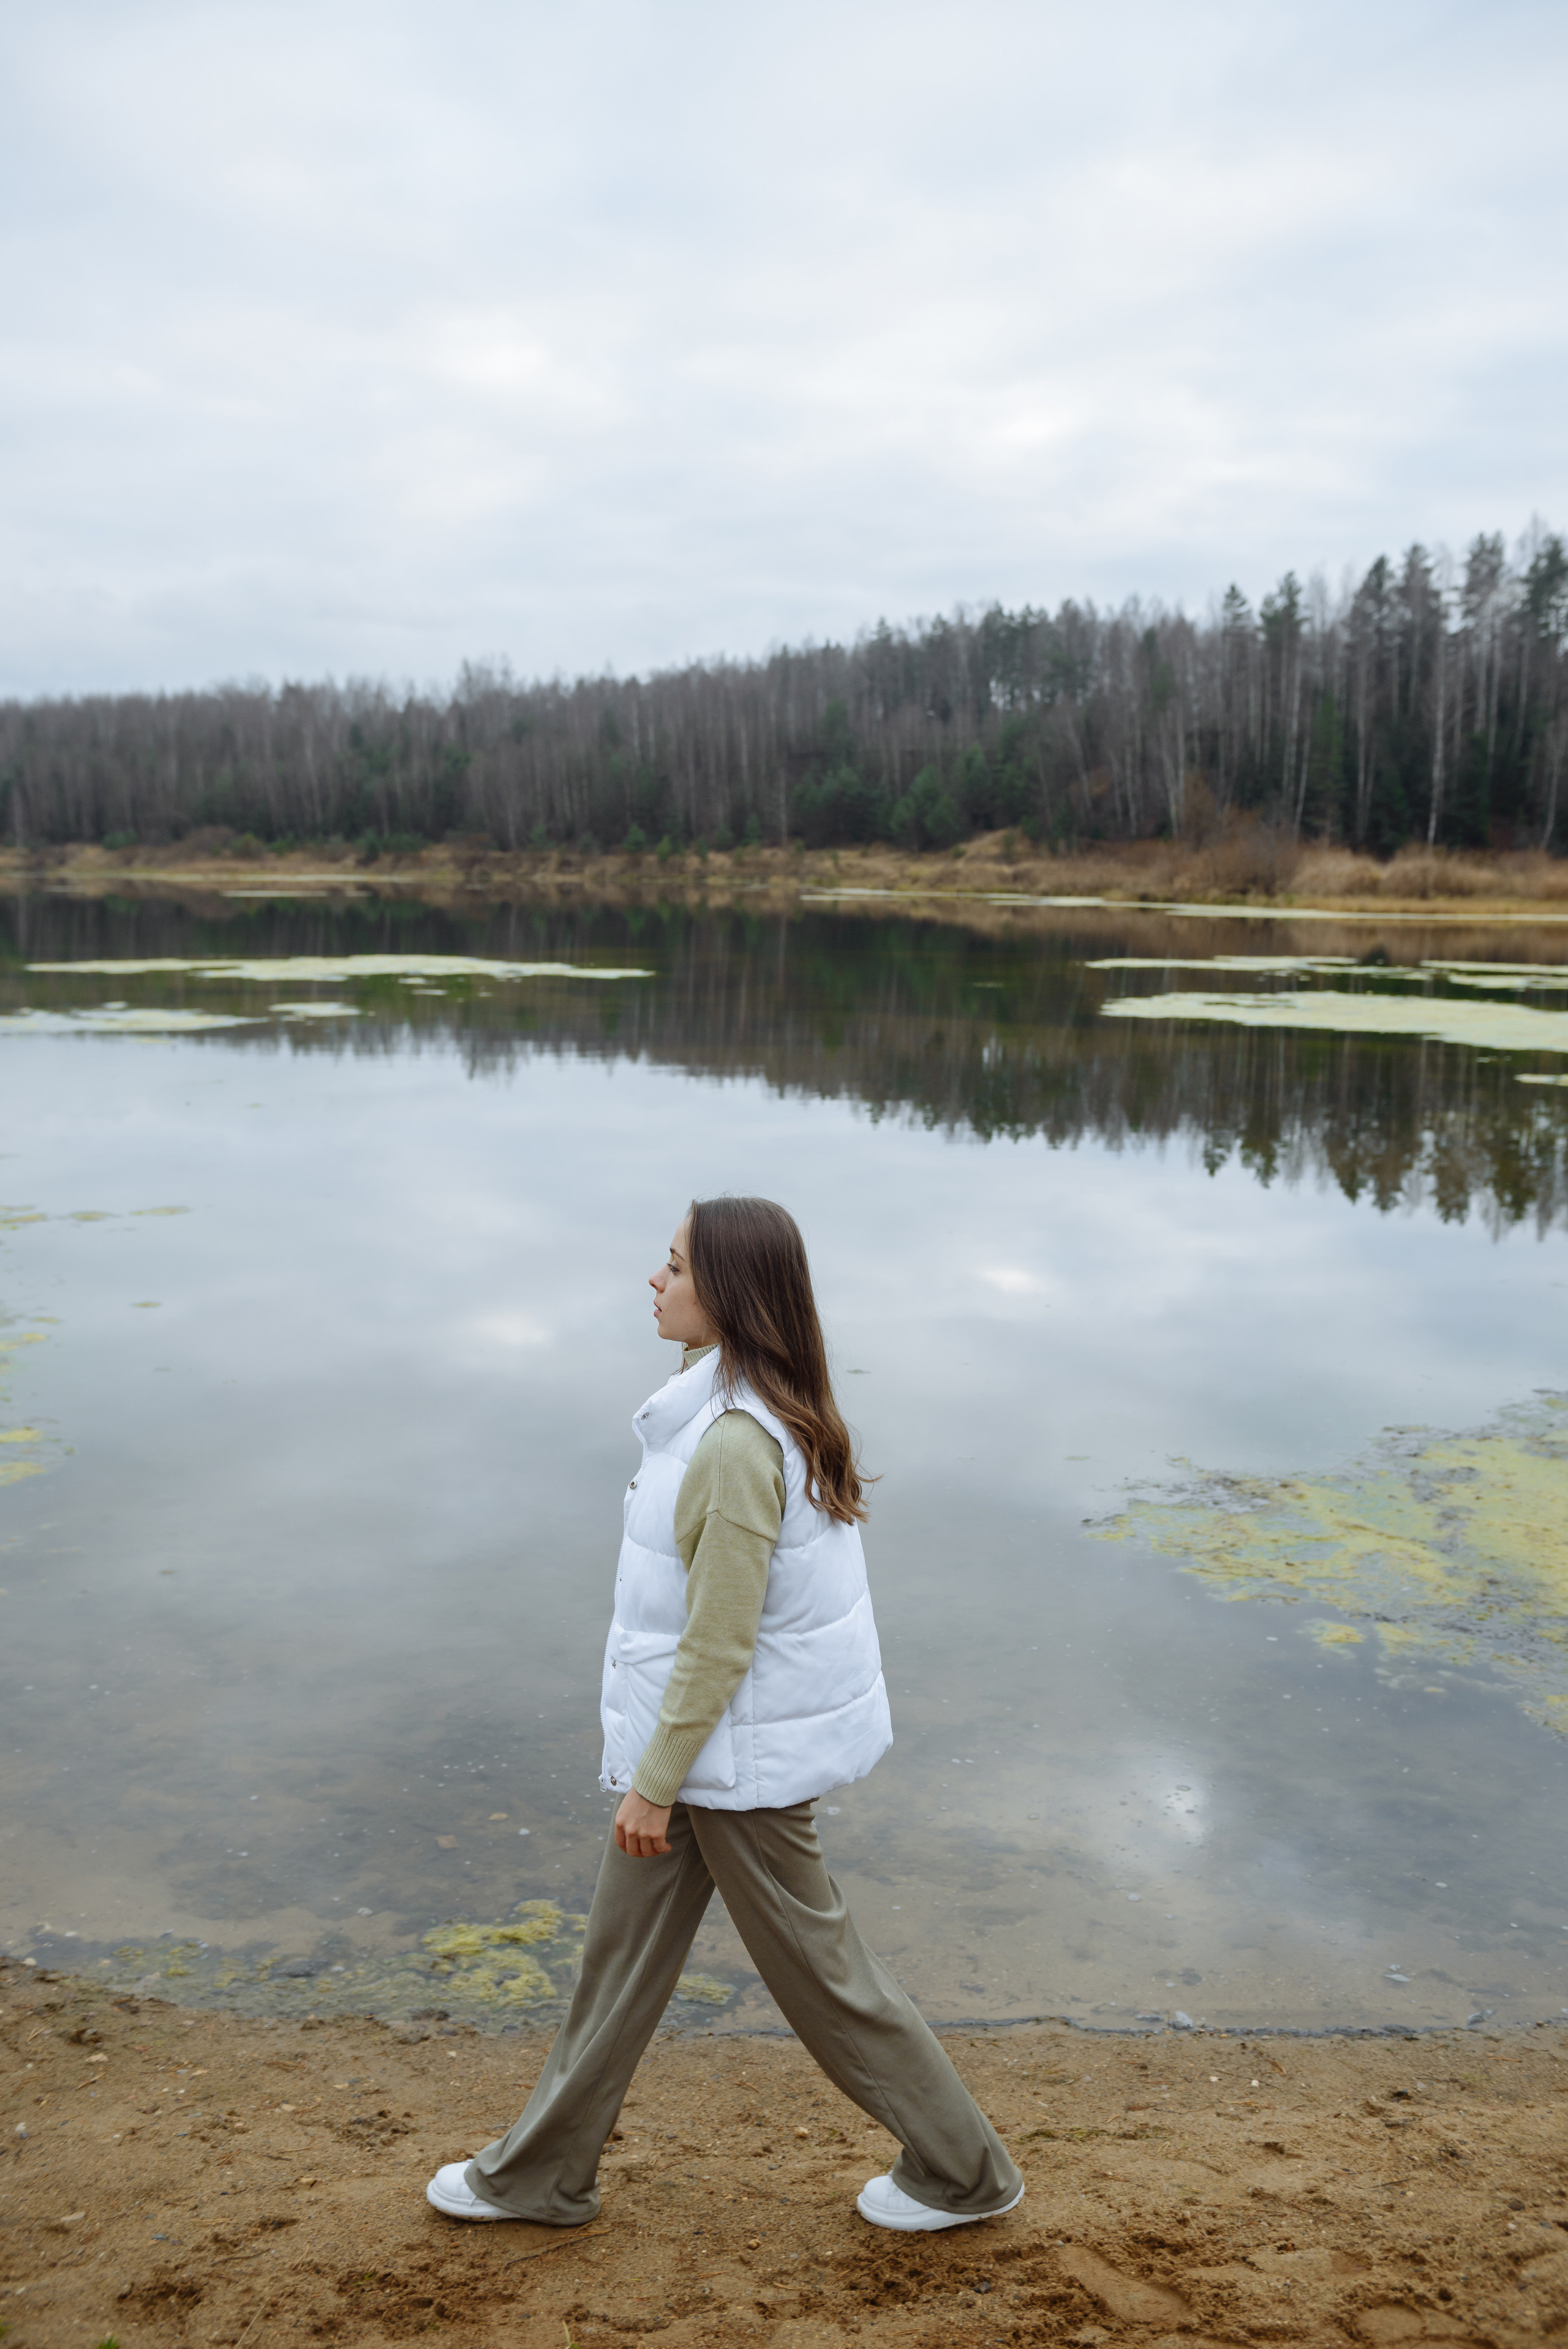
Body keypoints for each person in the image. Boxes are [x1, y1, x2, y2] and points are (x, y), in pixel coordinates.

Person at [426, 1195, 1022, 2235]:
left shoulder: (739, 1441)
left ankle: (965, 2174)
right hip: (710, 1752)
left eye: (674, 1268)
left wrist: (655, 1782)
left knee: (828, 1981)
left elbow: (720, 1639)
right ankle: (541, 2175)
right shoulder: (726, 1405)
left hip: (729, 1766)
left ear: (731, 1296)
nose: (653, 1282)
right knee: (616, 1964)